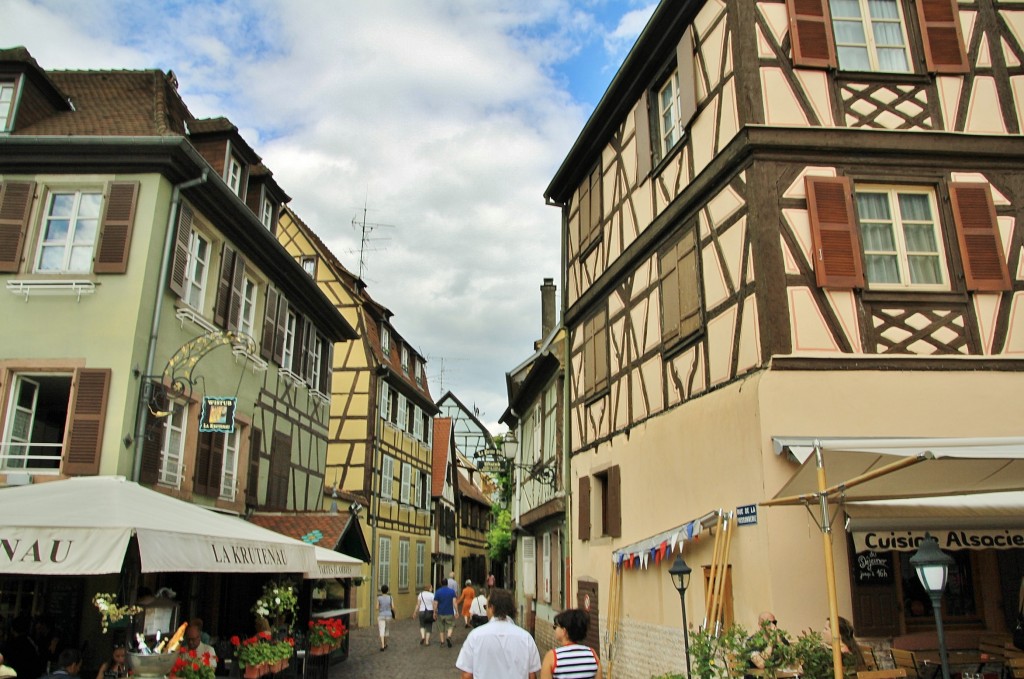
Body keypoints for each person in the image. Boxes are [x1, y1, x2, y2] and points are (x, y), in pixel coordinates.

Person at [456, 589, 541, 679]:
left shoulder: (475, 636)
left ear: (492, 608)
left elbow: (467, 675)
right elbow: (532, 675)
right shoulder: (526, 638)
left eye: (486, 607)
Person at [540, 609, 601, 679]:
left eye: (555, 626)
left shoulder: (552, 656)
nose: (555, 629)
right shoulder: (593, 655)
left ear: (564, 631)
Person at [434, 578, 458, 648]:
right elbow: (454, 602)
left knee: (441, 628)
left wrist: (434, 612)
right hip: (449, 612)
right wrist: (456, 611)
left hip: (440, 612)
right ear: (447, 583)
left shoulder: (438, 592)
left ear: (441, 583)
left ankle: (442, 642)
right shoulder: (452, 592)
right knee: (450, 625)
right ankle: (449, 636)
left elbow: (435, 603)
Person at [376, 585, 394, 652]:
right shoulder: (390, 597)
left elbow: (377, 607)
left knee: (381, 630)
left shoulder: (379, 598)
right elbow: (393, 607)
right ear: (387, 590)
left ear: (381, 591)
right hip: (389, 615)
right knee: (386, 630)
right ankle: (385, 643)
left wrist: (380, 607)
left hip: (381, 615)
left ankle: (382, 645)